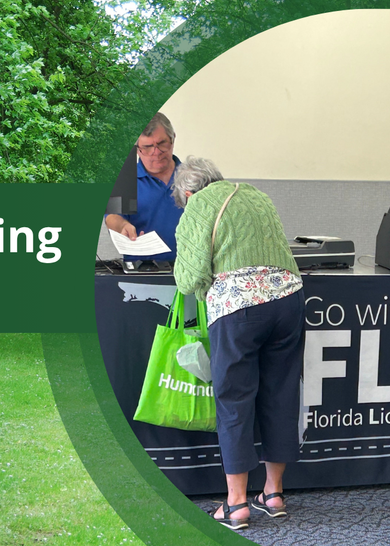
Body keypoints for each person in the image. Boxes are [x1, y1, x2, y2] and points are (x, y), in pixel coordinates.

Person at [171, 156, 305, 531]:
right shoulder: (255, 195)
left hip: (239, 307)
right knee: (280, 394)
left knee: (234, 400)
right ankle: (274, 494)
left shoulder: (198, 205)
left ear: (187, 191)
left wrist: (198, 283)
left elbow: (189, 275)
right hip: (288, 299)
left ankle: (236, 505)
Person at [104, 112, 184, 261]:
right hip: (143, 271)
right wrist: (123, 226)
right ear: (137, 148)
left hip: (192, 273)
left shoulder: (195, 178)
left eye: (162, 144)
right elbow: (112, 217)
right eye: (147, 147)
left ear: (172, 138)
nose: (156, 153)